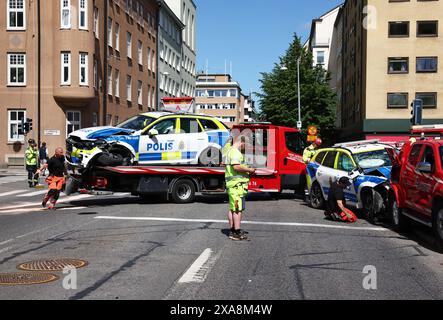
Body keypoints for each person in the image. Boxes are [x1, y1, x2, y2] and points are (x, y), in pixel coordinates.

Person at [225, 135, 256, 241]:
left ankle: (232, 230)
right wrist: (250, 170)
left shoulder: (230, 151)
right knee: (238, 209)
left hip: (232, 185)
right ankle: (236, 233)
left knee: (233, 208)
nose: (244, 147)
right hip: (236, 185)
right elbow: (236, 166)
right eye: (245, 145)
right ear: (241, 142)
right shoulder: (235, 152)